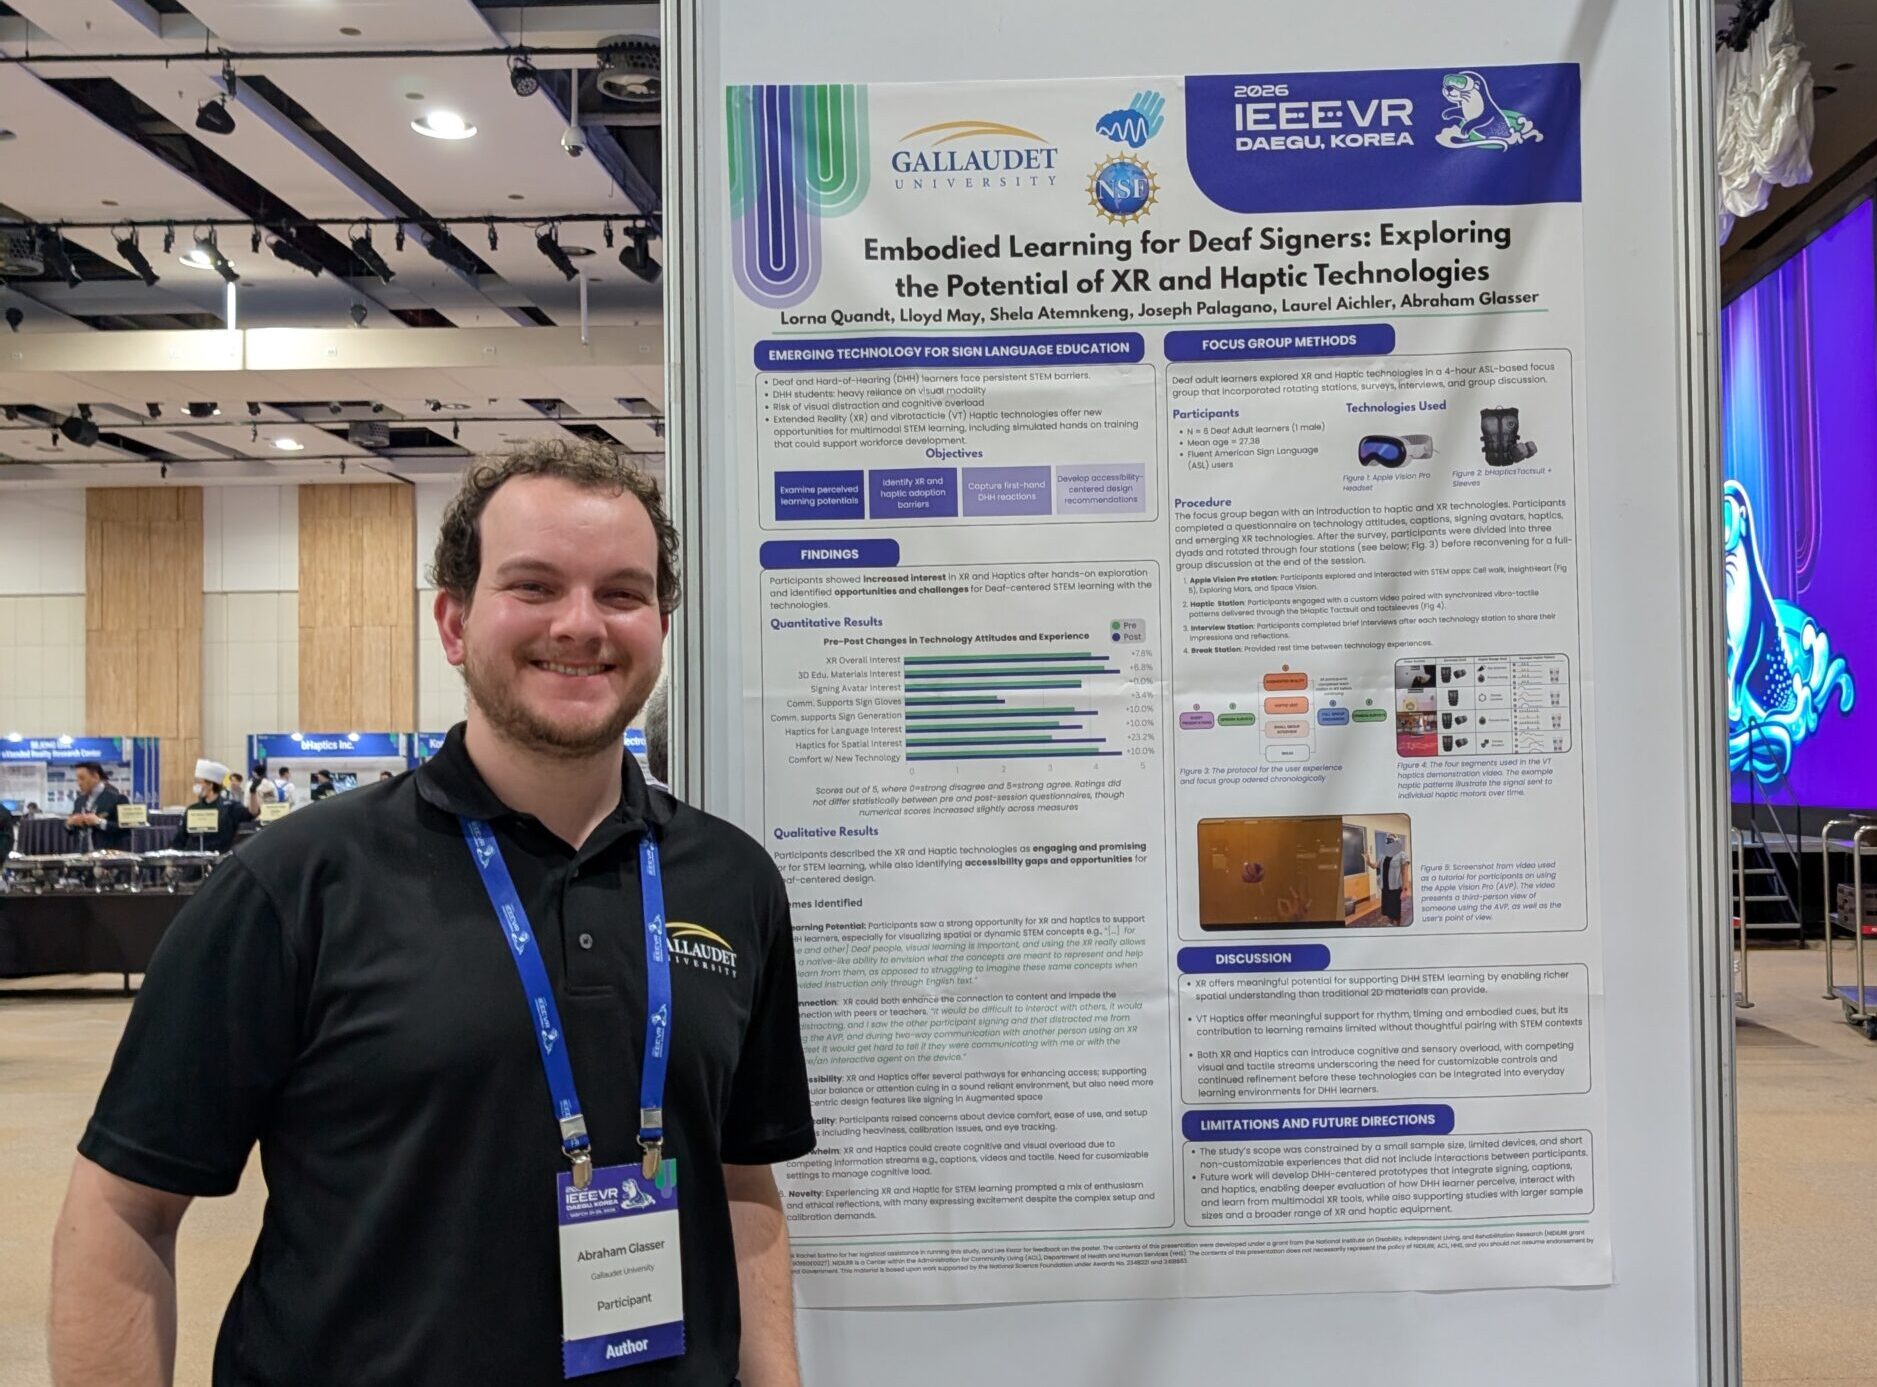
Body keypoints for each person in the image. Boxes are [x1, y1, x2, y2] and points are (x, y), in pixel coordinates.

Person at [53, 441, 815, 1387]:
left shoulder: (730, 881)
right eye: (533, 586)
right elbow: (124, 1210)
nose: (581, 624)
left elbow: (743, 1180)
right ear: (453, 622)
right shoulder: (294, 886)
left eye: (621, 593)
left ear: (659, 623)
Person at [172, 759, 253, 853]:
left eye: (199, 782)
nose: (196, 786)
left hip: (220, 862)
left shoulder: (230, 808)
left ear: (210, 785)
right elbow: (180, 840)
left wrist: (253, 792)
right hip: (193, 863)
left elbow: (251, 813)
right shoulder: (192, 809)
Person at [64, 762, 129, 852]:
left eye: (82, 778)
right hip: (81, 857)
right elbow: (71, 831)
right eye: (77, 779)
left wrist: (99, 822)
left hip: (108, 857)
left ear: (95, 777)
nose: (79, 783)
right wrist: (69, 823)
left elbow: (126, 830)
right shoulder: (79, 801)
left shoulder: (117, 799)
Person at [1368, 834, 1409, 925]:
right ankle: (1390, 923)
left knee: (1395, 909)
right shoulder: (1382, 855)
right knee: (1387, 908)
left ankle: (1397, 924)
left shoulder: (1402, 855)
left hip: (1395, 888)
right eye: (1387, 840)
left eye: (1391, 840)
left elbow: (1405, 873)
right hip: (1385, 887)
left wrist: (1405, 890)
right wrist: (1368, 861)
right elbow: (1375, 866)